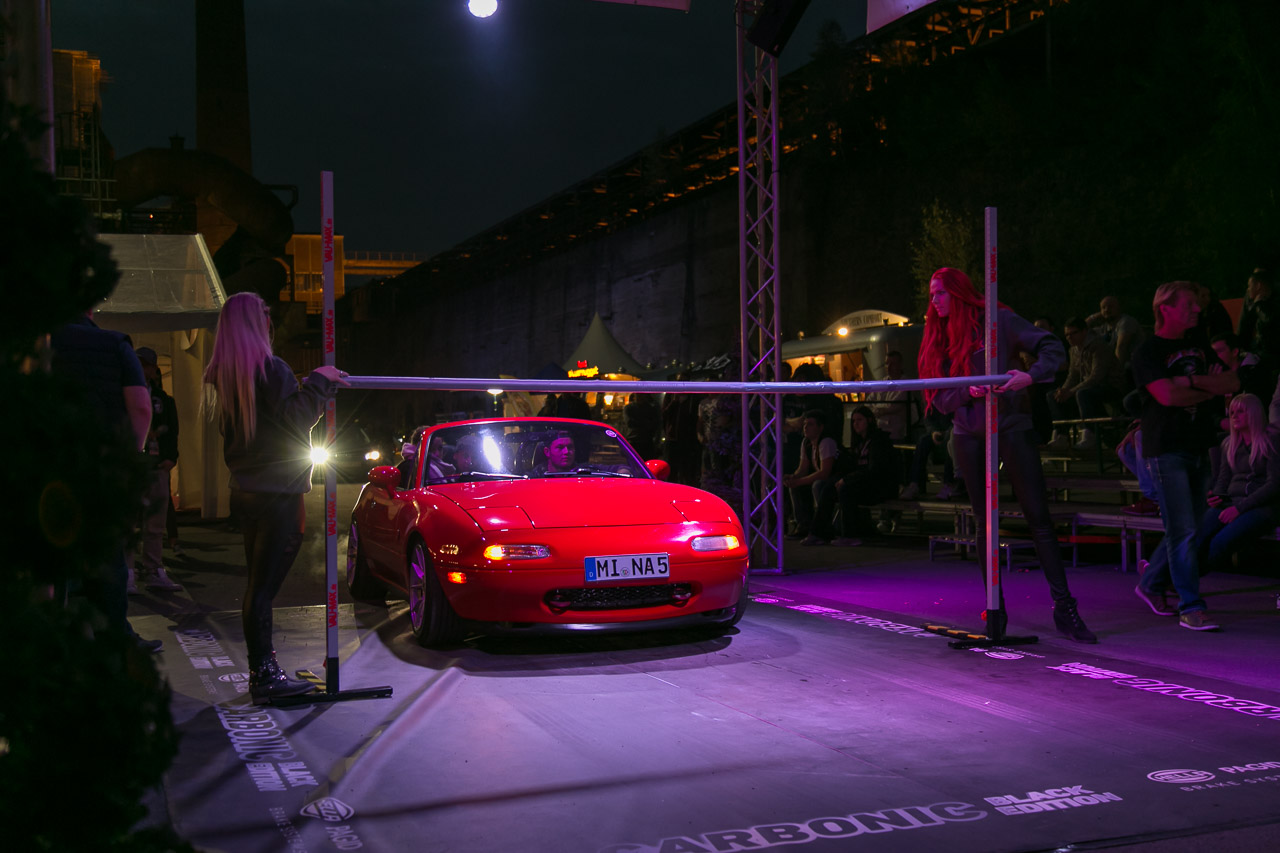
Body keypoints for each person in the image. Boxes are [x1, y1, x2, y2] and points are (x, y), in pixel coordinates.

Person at [918, 268, 1096, 643]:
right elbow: (940, 398)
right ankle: (994, 612)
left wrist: (1030, 376)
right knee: (984, 523)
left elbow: (1052, 347)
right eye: (932, 294)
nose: (934, 301)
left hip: (1011, 425)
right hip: (968, 432)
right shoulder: (939, 335)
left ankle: (1065, 608)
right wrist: (969, 391)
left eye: (940, 293)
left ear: (958, 293)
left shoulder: (997, 321)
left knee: (1038, 516)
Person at [203, 292, 349, 702]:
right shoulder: (271, 369)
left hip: (246, 491)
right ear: (257, 323)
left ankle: (263, 672)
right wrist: (318, 381)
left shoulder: (226, 375)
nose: (271, 320)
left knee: (258, 586)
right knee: (263, 590)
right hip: (278, 493)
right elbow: (296, 420)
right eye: (266, 314)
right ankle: (264, 676)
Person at [50, 310, 161, 653]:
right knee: (108, 556)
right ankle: (114, 637)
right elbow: (141, 407)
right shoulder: (114, 344)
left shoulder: (34, 340)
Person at [1131, 281, 1238, 631]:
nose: (1196, 309)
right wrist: (1204, 384)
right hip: (1167, 448)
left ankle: (1151, 583)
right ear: (1166, 308)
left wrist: (1188, 383)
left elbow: (1231, 383)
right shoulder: (1148, 351)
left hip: (1197, 444)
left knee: (1187, 529)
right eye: (1189, 304)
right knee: (1184, 530)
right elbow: (1166, 396)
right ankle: (1190, 606)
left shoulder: (1198, 344)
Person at [128, 346, 183, 593]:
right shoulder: (125, 394)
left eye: (145, 365)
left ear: (153, 369)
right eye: (137, 363)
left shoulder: (163, 399)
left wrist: (171, 458)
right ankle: (128, 572)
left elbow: (173, 429)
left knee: (155, 523)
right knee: (128, 522)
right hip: (131, 467)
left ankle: (153, 569)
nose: (140, 369)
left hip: (157, 466)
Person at [1051, 316, 1124, 449]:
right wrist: (1064, 390)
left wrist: (1071, 391)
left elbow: (1097, 376)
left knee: (1082, 394)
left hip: (1110, 386)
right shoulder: (1073, 350)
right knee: (1053, 395)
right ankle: (1061, 435)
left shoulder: (1098, 346)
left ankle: (1090, 434)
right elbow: (1073, 375)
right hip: (1089, 387)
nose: (1069, 337)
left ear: (1084, 331)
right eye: (1067, 334)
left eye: (1073, 333)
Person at [781, 410, 850, 546]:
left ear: (820, 427)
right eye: (805, 424)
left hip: (837, 477)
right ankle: (803, 525)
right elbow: (803, 468)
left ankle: (824, 526)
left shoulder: (826, 442)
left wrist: (799, 481)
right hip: (824, 477)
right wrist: (793, 477)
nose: (806, 427)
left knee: (818, 485)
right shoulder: (806, 443)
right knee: (796, 487)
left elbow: (825, 472)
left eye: (810, 424)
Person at [836, 405, 898, 540]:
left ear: (869, 420)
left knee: (847, 491)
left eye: (859, 420)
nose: (855, 424)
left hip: (881, 486)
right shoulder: (859, 442)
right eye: (853, 421)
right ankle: (823, 530)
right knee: (831, 487)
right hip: (867, 483)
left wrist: (847, 479)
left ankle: (849, 535)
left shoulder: (878, 441)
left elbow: (874, 470)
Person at [1086, 295, 1144, 380]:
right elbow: (1079, 331)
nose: (1107, 309)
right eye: (1103, 307)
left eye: (1110, 306)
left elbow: (1121, 347)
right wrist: (1093, 317)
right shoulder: (1104, 328)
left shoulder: (1126, 322)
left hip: (1133, 367)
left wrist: (1116, 374)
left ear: (1118, 308)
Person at [862, 350, 912, 442]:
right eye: (887, 364)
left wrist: (877, 408)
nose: (889, 367)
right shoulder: (881, 383)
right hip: (878, 431)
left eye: (892, 364)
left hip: (896, 433)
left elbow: (893, 406)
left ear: (900, 365)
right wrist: (881, 410)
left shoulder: (906, 384)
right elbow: (868, 402)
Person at [622, 393, 661, 459]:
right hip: (638, 441)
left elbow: (654, 424)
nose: (639, 397)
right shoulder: (650, 408)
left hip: (642, 441)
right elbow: (630, 423)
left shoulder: (649, 408)